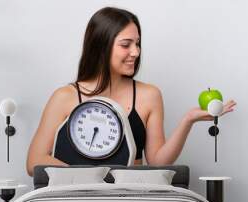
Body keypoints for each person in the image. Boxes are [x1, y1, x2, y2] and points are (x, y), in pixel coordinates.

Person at [26, 7, 236, 176]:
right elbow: (34, 162)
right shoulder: (65, 97)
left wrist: (188, 120)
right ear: (101, 47)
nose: (136, 52)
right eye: (126, 45)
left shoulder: (149, 95)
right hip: (76, 194)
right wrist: (86, 179)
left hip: (130, 194)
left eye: (137, 44)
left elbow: (157, 162)